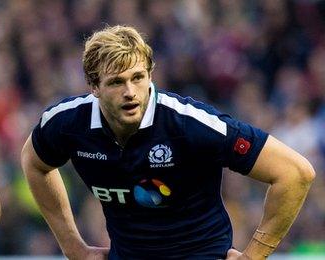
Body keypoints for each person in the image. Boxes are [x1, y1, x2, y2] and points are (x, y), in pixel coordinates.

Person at [20, 25, 315, 259]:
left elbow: (295, 173)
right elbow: (34, 163)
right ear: (94, 86)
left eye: (138, 77)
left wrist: (253, 256)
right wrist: (74, 247)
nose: (131, 92)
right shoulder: (68, 124)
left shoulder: (190, 124)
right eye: (116, 82)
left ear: (150, 74)